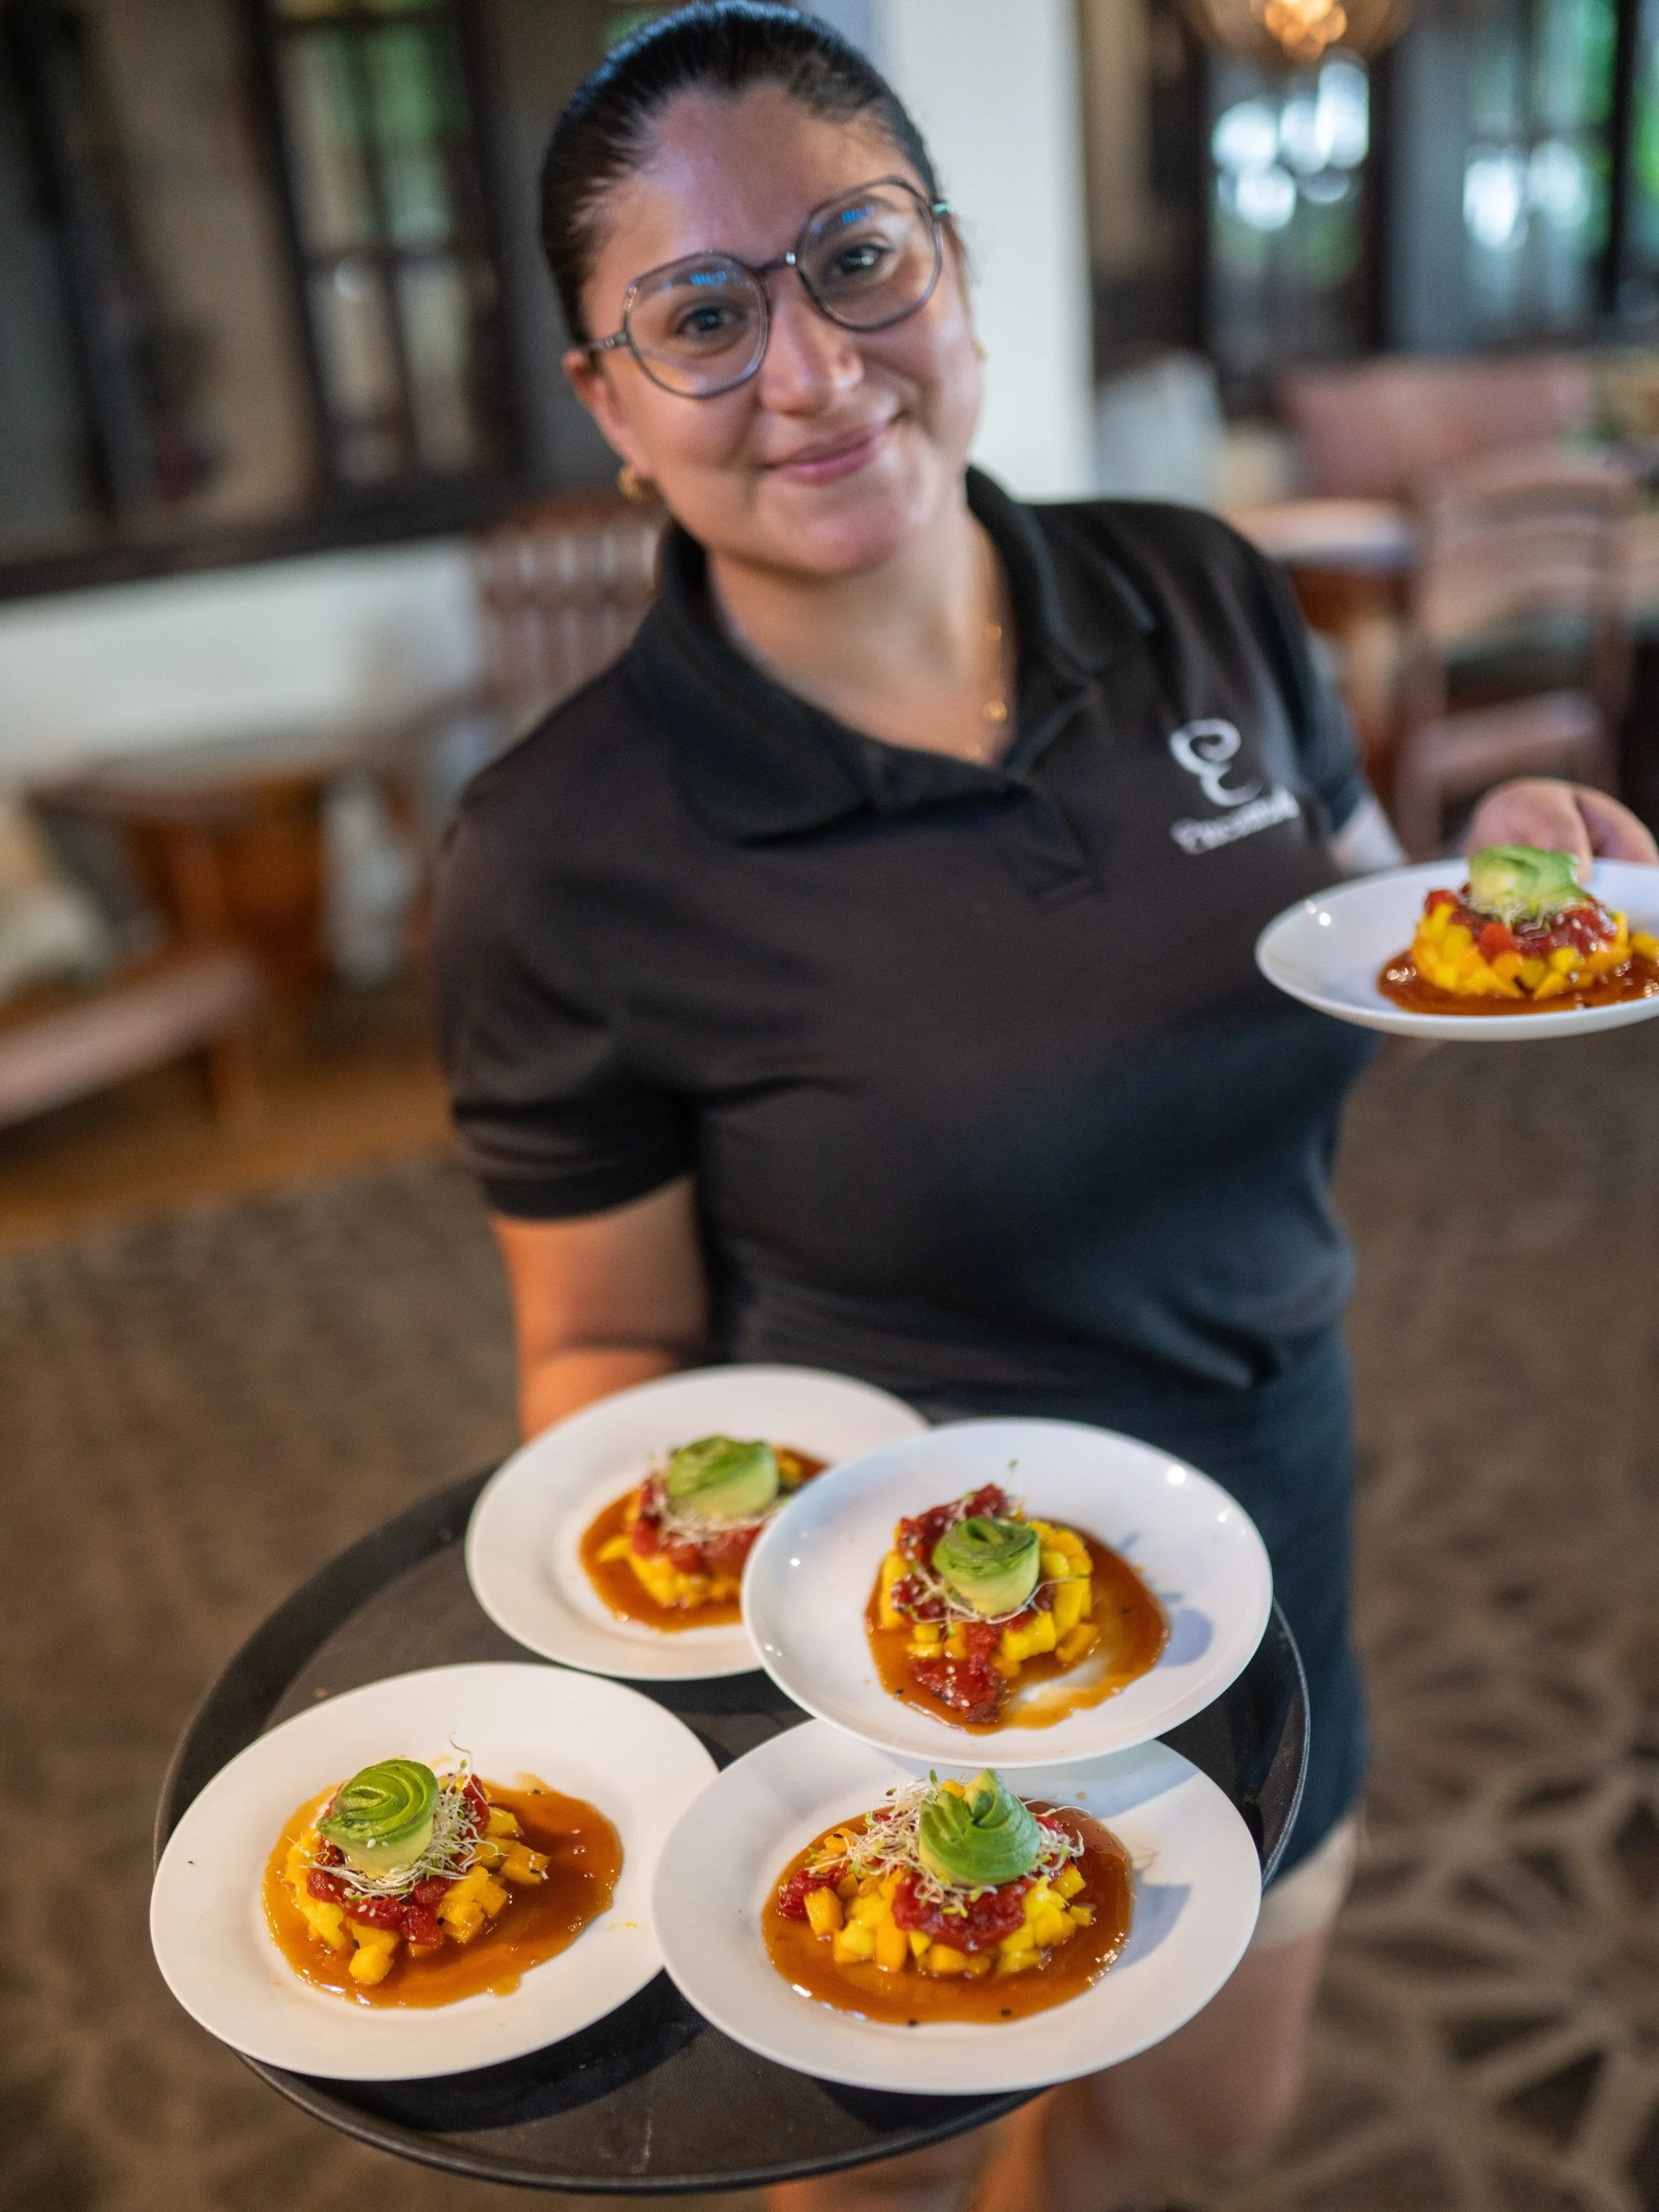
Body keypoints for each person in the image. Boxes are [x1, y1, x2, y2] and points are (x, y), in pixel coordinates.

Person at [431, 8, 1658, 2205]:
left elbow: (1352, 958)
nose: (814, 370)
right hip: (866, 1640)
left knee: (1192, 2131)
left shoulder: (1204, 588)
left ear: (958, 270)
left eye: (859, 258)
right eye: (702, 315)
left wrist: (1508, 904)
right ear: (609, 404)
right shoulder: (559, 850)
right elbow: (602, 1341)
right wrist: (697, 1634)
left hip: (1266, 1511)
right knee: (889, 2166)